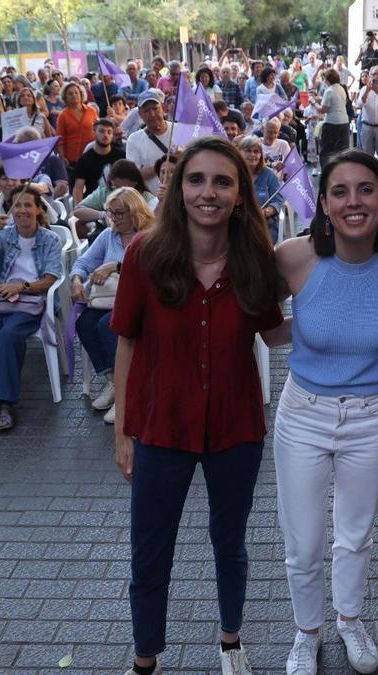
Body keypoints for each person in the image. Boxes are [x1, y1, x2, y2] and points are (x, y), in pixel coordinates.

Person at [110, 137, 283, 675]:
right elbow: (127, 343)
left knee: (229, 542)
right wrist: (122, 431)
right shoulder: (145, 252)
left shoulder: (255, 258)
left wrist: (343, 301)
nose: (208, 192)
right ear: (178, 187)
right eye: (197, 180)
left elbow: (275, 335)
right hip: (162, 428)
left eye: (222, 182)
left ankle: (231, 642)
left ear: (239, 194)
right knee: (150, 551)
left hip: (236, 429)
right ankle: (145, 658)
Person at [268, 149, 378, 675]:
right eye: (339, 191)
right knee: (303, 542)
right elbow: (265, 327)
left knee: (355, 533)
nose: (353, 201)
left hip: (370, 418)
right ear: (324, 204)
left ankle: (349, 618)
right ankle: (306, 632)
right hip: (302, 416)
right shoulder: (294, 257)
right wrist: (309, 331)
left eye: (365, 190)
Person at [0, 183, 63, 435]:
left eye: (27, 205)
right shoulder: (5, 234)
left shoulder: (50, 238)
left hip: (31, 300)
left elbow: (52, 278)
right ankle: (4, 403)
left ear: (38, 209)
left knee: (10, 335)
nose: (22, 210)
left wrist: (21, 286)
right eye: (17, 205)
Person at [70, 187, 153, 424]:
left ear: (135, 212)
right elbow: (84, 262)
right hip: (109, 300)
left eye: (119, 213)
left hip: (142, 302)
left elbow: (152, 270)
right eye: (111, 212)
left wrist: (116, 266)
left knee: (109, 324)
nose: (113, 218)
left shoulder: (149, 235)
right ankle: (115, 382)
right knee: (84, 322)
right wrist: (76, 279)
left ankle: (125, 395)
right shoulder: (109, 235)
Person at [73, 159, 154, 223]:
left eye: (127, 187)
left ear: (135, 183)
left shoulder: (145, 197)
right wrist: (103, 215)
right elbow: (78, 211)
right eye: (117, 187)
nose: (121, 192)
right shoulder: (106, 192)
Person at [124, 90, 173, 195]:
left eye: (155, 108)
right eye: (146, 110)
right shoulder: (134, 140)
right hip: (151, 202)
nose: (152, 114)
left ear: (163, 109)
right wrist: (161, 165)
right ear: (140, 114)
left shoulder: (179, 131)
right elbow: (134, 177)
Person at [238, 136, 283, 244]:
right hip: (238, 223)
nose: (253, 155)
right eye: (248, 151)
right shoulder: (234, 173)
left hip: (265, 225)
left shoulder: (269, 174)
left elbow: (278, 200)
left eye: (256, 151)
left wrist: (266, 212)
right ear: (239, 153)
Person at [73, 119, 126, 204]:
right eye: (102, 131)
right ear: (94, 133)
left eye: (109, 132)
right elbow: (78, 187)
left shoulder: (121, 156)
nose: (105, 135)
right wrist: (79, 209)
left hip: (118, 203)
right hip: (93, 204)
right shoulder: (85, 159)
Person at [56, 82, 98, 168]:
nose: (74, 95)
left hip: (92, 154)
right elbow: (60, 139)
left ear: (81, 94)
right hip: (72, 159)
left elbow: (98, 130)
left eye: (76, 92)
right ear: (65, 97)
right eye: (70, 94)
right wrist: (62, 157)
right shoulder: (62, 115)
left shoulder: (91, 111)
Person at [316, 69, 351, 168]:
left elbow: (323, 110)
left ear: (327, 80)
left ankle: (326, 174)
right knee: (342, 151)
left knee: (327, 151)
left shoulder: (329, 90)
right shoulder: (341, 88)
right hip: (344, 122)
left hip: (332, 123)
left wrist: (313, 103)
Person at [356, 68, 378, 163]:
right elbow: (359, 105)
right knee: (367, 157)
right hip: (367, 127)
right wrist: (367, 92)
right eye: (373, 74)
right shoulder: (364, 89)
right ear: (370, 76)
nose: (376, 76)